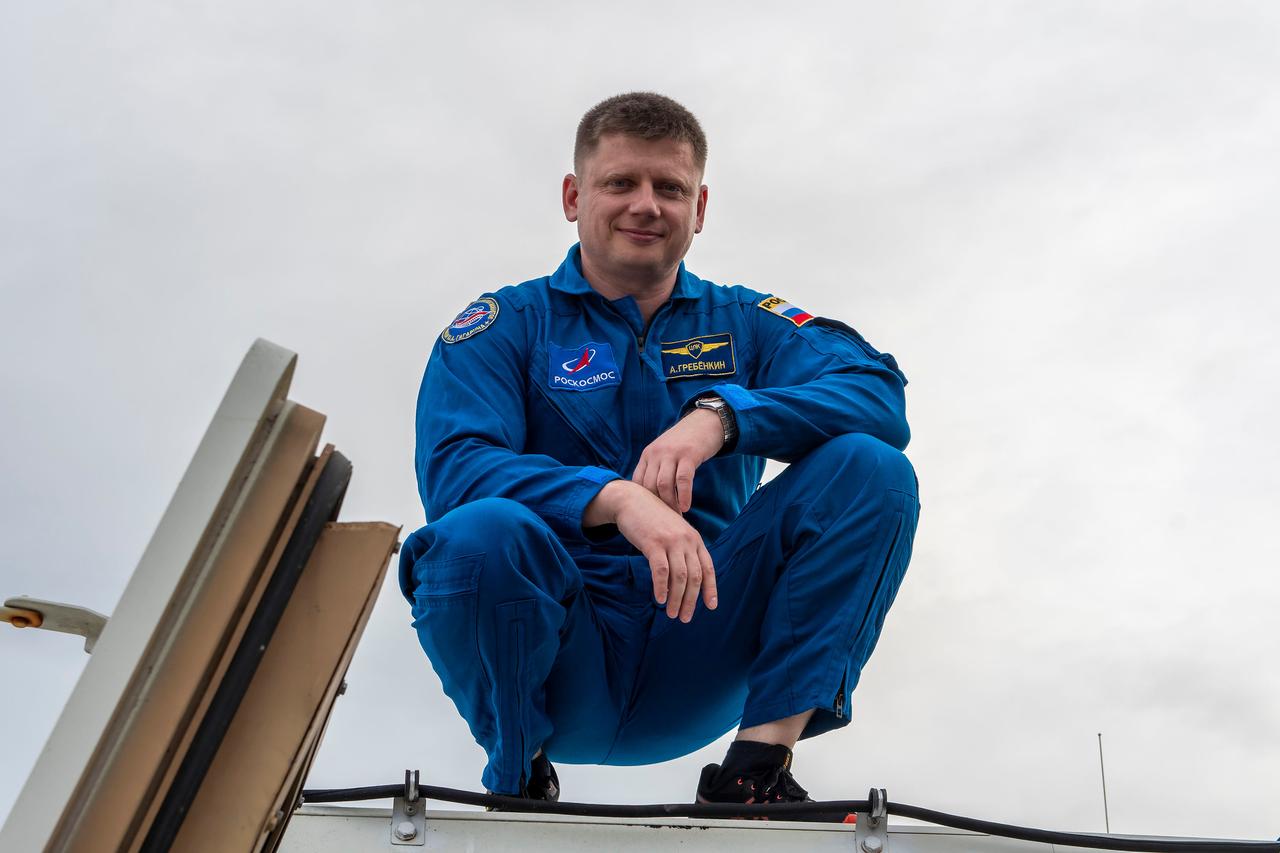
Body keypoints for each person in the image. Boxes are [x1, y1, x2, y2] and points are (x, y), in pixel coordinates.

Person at [398, 92, 919, 808]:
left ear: (698, 209)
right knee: (476, 532)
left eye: (669, 188)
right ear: (574, 196)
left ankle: (756, 772)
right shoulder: (503, 325)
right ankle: (520, 779)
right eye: (621, 182)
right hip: (558, 651)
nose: (645, 205)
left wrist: (721, 417)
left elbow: (877, 395)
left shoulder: (746, 322)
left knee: (873, 469)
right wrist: (614, 498)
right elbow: (456, 469)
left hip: (701, 631)